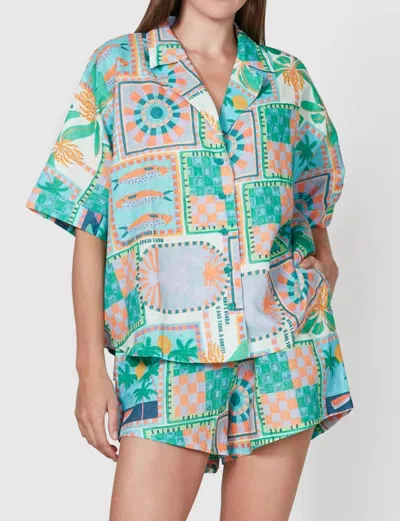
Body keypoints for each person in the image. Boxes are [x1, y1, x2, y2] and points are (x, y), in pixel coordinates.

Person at [26, 0, 354, 520]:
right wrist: (90, 367)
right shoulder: (118, 67)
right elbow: (90, 219)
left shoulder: (286, 78)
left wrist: (325, 259)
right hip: (166, 353)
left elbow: (312, 199)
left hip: (282, 352)